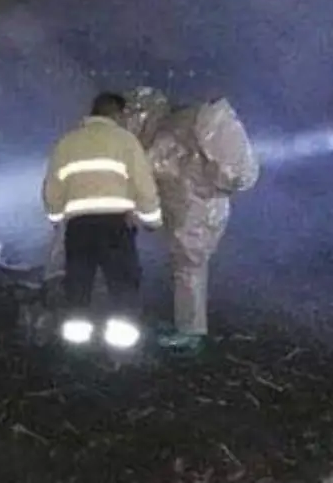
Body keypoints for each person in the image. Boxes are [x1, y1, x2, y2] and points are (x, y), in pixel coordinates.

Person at [123, 86, 260, 354]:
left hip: (193, 212)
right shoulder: (188, 123)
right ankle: (185, 325)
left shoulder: (168, 135)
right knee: (188, 268)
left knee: (188, 269)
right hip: (199, 208)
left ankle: (190, 332)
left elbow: (155, 170)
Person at [41, 91, 163, 349]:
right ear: (116, 114)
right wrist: (152, 219)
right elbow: (144, 185)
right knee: (122, 285)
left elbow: (52, 187)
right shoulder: (126, 141)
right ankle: (119, 348)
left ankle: (76, 347)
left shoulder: (68, 143)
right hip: (116, 227)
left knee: (78, 283)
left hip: (79, 228)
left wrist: (56, 218)